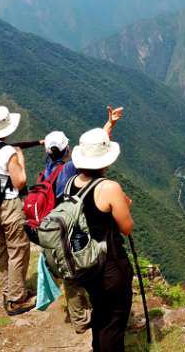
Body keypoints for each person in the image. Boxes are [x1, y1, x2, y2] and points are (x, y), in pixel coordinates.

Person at [41, 106, 123, 334]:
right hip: (73, 229)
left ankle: (79, 319)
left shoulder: (49, 170)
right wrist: (109, 128)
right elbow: (95, 155)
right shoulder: (69, 169)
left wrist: (110, 125)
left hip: (56, 227)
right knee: (82, 269)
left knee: (70, 274)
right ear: (67, 150)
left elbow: (92, 150)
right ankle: (94, 316)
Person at [70, 127, 134, 352]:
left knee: (101, 313)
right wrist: (125, 206)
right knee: (114, 321)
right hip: (111, 265)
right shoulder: (109, 187)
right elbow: (126, 228)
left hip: (86, 264)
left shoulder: (72, 184)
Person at [0, 105, 35, 316]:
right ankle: (16, 299)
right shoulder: (8, 152)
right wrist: (20, 159)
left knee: (5, 249)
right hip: (10, 205)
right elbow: (20, 181)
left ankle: (9, 290)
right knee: (19, 250)